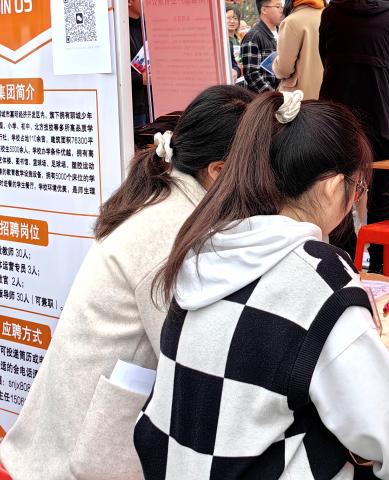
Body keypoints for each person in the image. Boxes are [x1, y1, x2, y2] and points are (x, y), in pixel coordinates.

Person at [134, 91, 389, 480]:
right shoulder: (319, 275)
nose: (355, 200)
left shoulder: (205, 248)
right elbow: (384, 431)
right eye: (358, 188)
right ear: (332, 187)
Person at [0, 86, 256, 480]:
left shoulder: (168, 201)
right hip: (79, 458)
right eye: (263, 166)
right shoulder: (173, 235)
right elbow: (198, 362)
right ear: (218, 171)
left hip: (72, 440)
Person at [319, 0, 389, 271]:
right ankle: (382, 264)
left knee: (338, 190)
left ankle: (344, 263)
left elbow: (326, 60)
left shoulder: (331, 14)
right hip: (380, 115)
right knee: (380, 192)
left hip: (337, 116)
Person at [273, 0, 325, 99]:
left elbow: (284, 69)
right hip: (327, 95)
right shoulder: (329, 16)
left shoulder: (292, 21)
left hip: (300, 97)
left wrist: (275, 64)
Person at [241, 0, 282, 92]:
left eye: (281, 6)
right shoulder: (253, 36)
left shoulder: (282, 33)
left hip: (285, 93)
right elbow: (251, 74)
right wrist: (273, 95)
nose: (281, 10)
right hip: (267, 98)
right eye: (277, 6)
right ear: (264, 10)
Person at [129, 0, 150, 127]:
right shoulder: (117, 31)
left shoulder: (147, 26)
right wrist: (140, 78)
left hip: (151, 103)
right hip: (133, 108)